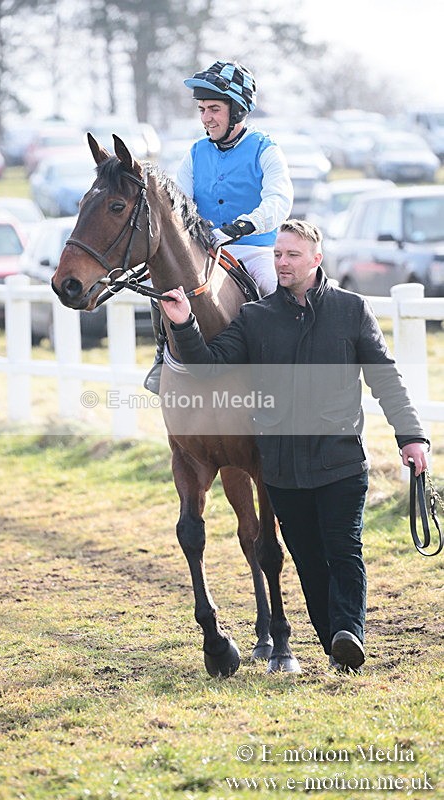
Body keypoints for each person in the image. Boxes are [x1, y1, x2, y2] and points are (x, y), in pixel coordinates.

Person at [160, 219, 429, 673]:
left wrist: (412, 436)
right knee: (305, 557)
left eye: (293, 255)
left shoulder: (351, 310)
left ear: (316, 259)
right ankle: (336, 643)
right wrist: (185, 324)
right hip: (283, 469)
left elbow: (385, 377)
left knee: (343, 549)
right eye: (278, 255)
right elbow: (207, 366)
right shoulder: (256, 318)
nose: (282, 263)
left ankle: (349, 631)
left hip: (340, 457)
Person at [144, 59, 293, 393]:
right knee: (163, 289)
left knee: (274, 288)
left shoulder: (266, 150)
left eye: (214, 108)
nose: (206, 117)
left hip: (254, 249)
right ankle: (160, 357)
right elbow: (176, 204)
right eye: (201, 109)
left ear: (237, 111)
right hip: (209, 249)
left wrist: (241, 227)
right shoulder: (195, 153)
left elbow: (279, 201)